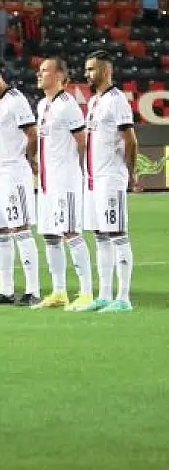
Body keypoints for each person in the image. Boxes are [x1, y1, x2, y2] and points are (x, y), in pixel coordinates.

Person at [0, 63, 41, 306]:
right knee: (0, 233)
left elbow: (32, 133)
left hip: (13, 175)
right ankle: (5, 289)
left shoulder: (16, 101)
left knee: (21, 230)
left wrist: (29, 158)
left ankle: (33, 290)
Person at [79, 51, 138, 312]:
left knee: (117, 235)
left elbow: (131, 141)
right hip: (92, 180)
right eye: (86, 69)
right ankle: (104, 295)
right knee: (100, 236)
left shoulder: (117, 101)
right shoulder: (94, 101)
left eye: (91, 69)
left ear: (105, 71)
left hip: (110, 178)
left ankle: (123, 298)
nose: (86, 74)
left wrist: (131, 172)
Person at [32, 58, 92, 309]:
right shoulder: (42, 105)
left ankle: (87, 292)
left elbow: (82, 142)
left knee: (70, 232)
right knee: (49, 235)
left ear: (59, 75)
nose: (39, 73)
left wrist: (78, 172)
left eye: (44, 70)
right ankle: (59, 291)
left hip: (65, 181)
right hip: (46, 182)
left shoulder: (67, 105)